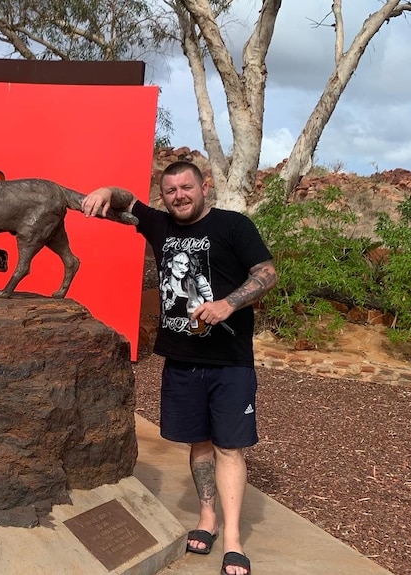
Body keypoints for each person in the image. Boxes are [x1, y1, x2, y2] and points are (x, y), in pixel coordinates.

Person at [82, 161, 277, 575]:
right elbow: (125, 197)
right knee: (200, 445)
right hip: (182, 362)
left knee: (229, 447)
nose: (179, 196)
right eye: (170, 191)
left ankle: (234, 540)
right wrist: (105, 189)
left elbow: (267, 273)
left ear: (204, 187)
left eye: (186, 188)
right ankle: (207, 519)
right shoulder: (158, 224)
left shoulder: (233, 226)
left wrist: (229, 303)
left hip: (230, 363)